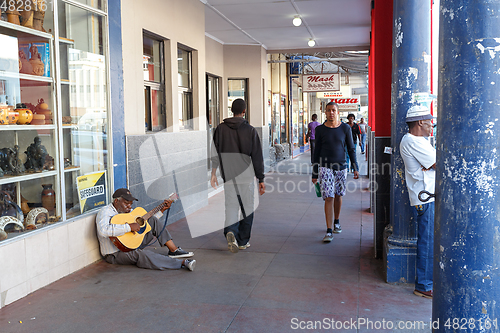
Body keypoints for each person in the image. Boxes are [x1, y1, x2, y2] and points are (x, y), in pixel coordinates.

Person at [211, 98, 266, 253]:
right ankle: (242, 241)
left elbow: (214, 152)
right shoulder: (250, 130)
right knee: (247, 208)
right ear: (244, 111)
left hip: (228, 177)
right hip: (246, 177)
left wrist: (213, 173)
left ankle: (230, 231)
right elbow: (257, 156)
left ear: (232, 110)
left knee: (231, 206)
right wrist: (261, 178)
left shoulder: (220, 129)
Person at [95, 188, 196, 271]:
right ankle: (182, 263)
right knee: (142, 254)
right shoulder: (105, 212)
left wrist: (161, 211)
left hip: (132, 244)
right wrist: (129, 227)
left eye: (131, 203)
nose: (129, 206)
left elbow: (145, 225)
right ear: (116, 201)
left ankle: (174, 250)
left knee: (151, 219)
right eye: (126, 203)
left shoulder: (127, 211)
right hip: (115, 253)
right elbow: (103, 230)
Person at [399, 105, 436, 299]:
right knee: (427, 242)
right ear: (420, 122)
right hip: (426, 197)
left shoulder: (418, 140)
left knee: (428, 240)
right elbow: (438, 163)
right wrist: (430, 167)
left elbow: (432, 164)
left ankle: (426, 282)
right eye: (429, 121)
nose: (432, 124)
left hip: (427, 196)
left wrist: (429, 167)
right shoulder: (413, 141)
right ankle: (423, 285)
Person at [312, 102, 359, 242]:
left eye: (333, 110)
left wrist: (355, 168)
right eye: (328, 110)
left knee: (338, 195)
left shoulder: (345, 128)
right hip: (325, 167)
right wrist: (314, 173)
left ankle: (336, 221)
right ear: (325, 113)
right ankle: (328, 230)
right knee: (329, 197)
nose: (331, 113)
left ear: (338, 112)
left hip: (342, 167)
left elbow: (351, 149)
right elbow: (317, 152)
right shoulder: (320, 130)